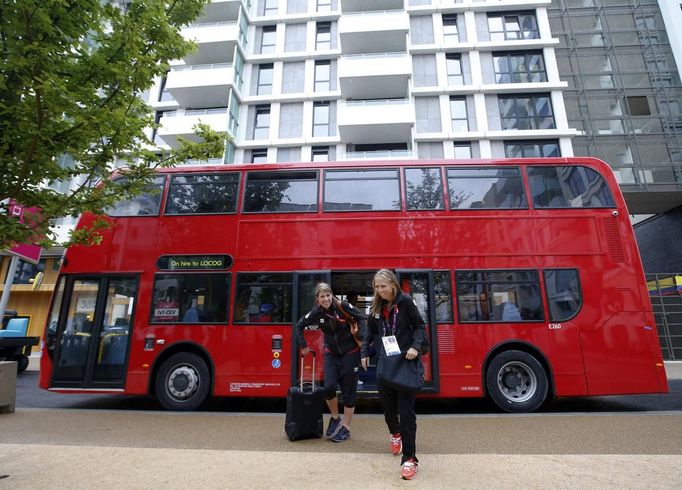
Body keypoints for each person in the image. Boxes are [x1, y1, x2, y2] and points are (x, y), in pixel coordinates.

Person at [362, 269, 425, 481]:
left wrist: (415, 346)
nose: (380, 291)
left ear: (393, 284)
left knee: (406, 412)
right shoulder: (376, 306)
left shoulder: (405, 302)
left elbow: (419, 326)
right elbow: (369, 333)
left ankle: (410, 458)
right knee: (388, 410)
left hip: (406, 362)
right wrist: (364, 352)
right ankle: (394, 432)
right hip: (385, 363)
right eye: (376, 287)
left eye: (383, 286)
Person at [295, 283, 367, 443]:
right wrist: (303, 346)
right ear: (317, 299)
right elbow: (299, 325)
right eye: (322, 296)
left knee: (348, 392)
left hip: (350, 352)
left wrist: (362, 337)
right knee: (328, 387)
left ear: (331, 295)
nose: (326, 299)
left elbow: (362, 317)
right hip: (331, 354)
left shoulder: (342, 306)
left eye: (328, 295)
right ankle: (335, 418)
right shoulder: (316, 313)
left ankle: (346, 427)